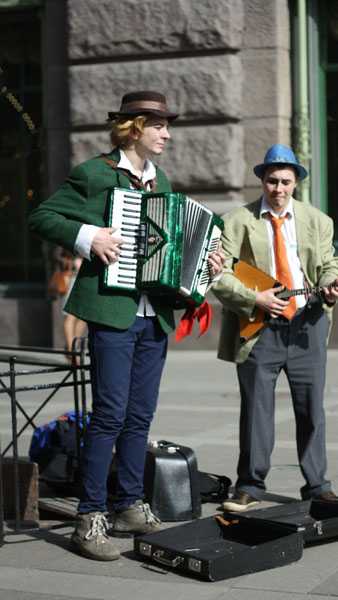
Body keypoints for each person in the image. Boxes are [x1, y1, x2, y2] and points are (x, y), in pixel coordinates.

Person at [28, 90, 225, 560]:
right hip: (112, 314)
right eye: (159, 126)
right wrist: (88, 235)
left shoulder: (164, 184)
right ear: (134, 127)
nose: (167, 134)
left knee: (140, 416)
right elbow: (41, 216)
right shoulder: (94, 174)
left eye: (167, 126)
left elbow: (176, 250)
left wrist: (206, 266)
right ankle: (89, 516)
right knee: (110, 415)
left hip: (153, 314)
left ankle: (128, 504)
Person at [212, 144, 338, 512]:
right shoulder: (236, 221)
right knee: (256, 411)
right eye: (272, 181)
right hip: (259, 326)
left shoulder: (318, 220)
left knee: (311, 411)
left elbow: (329, 265)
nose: (279, 188)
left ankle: (319, 485)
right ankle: (250, 485)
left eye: (286, 181)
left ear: (296, 183)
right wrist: (255, 299)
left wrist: (332, 287)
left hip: (308, 326)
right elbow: (219, 277)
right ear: (262, 179)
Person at [52, 246, 87, 359]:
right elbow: (56, 255)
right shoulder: (68, 232)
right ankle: (71, 351)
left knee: (83, 316)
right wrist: (72, 263)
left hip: (85, 277)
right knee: (69, 316)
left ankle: (72, 348)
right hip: (70, 277)